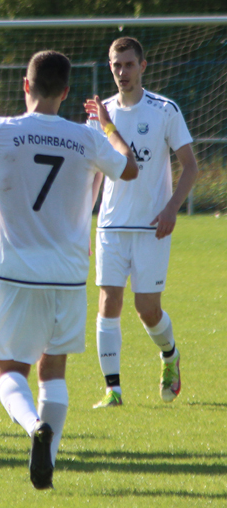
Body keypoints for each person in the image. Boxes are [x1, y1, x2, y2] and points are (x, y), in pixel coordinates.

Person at [0, 51, 138, 488]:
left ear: (25, 86)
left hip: (15, 272)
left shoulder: (2, 130)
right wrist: (106, 124)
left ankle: (34, 429)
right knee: (55, 371)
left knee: (9, 371)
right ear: (65, 92)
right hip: (67, 274)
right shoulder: (87, 139)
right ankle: (47, 464)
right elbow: (132, 169)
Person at [88, 37, 198, 409]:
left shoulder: (164, 110)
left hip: (152, 226)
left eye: (129, 64)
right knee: (108, 302)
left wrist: (171, 210)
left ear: (143, 66)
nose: (122, 72)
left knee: (147, 309)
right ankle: (113, 390)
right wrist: (79, 223)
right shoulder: (99, 113)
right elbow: (93, 175)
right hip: (111, 227)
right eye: (116, 65)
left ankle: (170, 355)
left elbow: (191, 166)